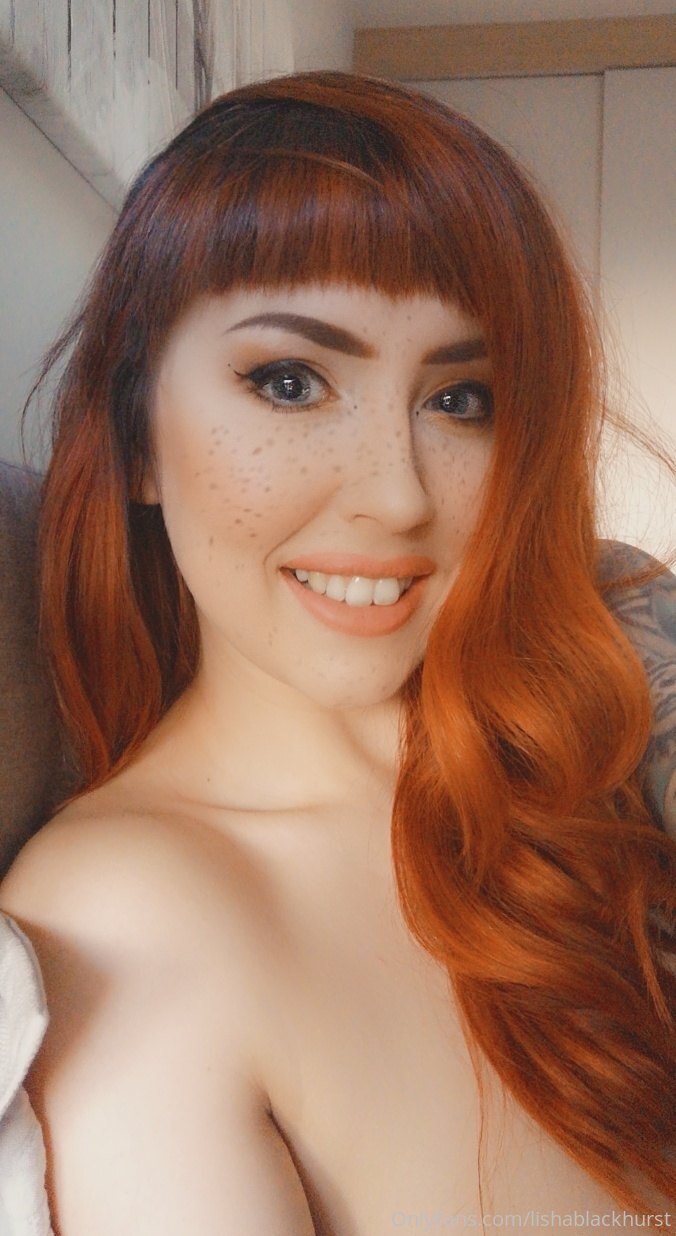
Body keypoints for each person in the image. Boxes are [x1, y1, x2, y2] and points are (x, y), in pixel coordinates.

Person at [0, 70, 674, 1236]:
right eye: (291, 382)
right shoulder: (122, 921)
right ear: (136, 435)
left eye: (460, 399)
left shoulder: (583, 758)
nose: (396, 495)